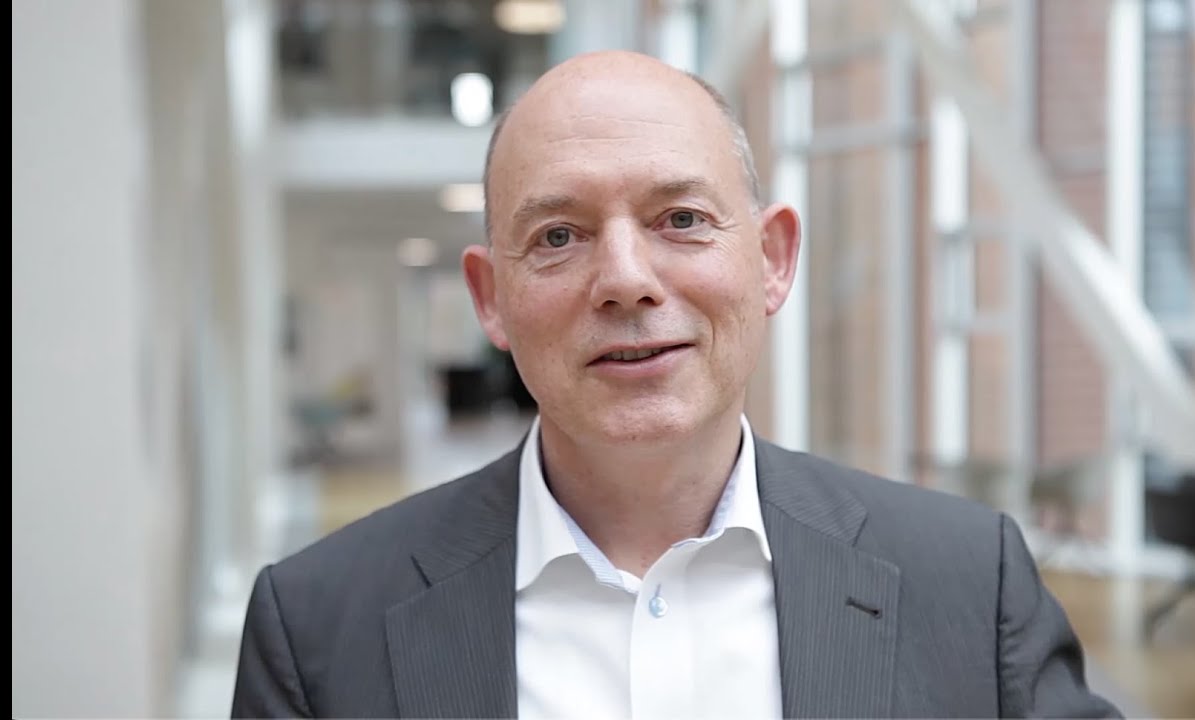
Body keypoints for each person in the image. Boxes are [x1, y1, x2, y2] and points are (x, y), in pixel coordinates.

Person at [231, 51, 1120, 719]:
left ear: (772, 260)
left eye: (682, 219)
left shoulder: (969, 586)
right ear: (490, 297)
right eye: (558, 236)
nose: (626, 280)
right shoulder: (316, 631)